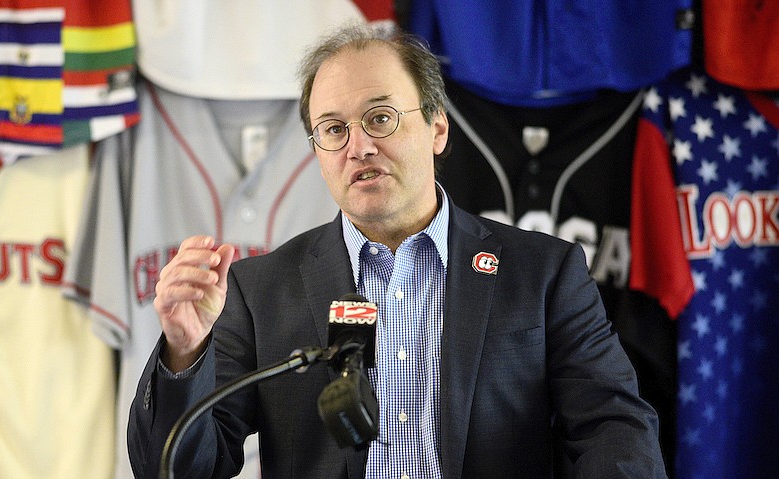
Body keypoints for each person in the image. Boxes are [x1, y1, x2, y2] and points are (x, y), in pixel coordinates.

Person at [127, 22, 668, 479]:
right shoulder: (262, 288)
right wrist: (184, 353)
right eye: (333, 129)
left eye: (380, 118)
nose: (359, 146)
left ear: (437, 128)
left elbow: (614, 428)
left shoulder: (545, 272)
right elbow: (178, 468)